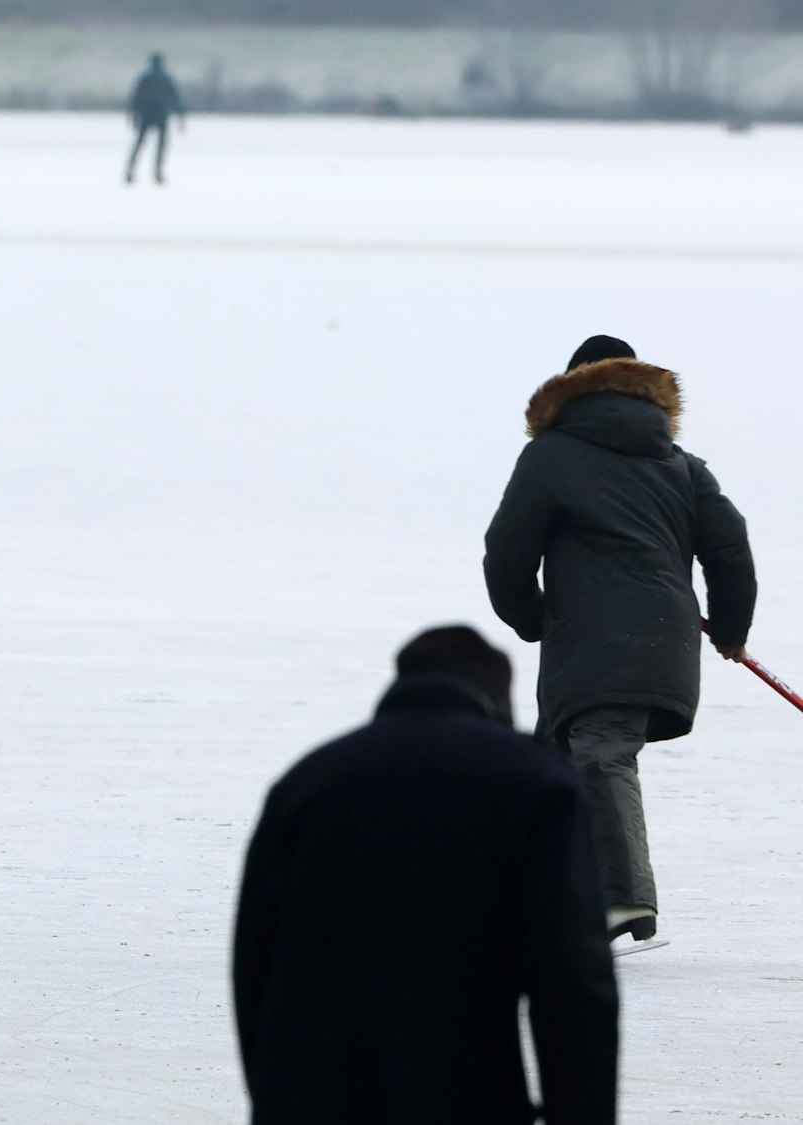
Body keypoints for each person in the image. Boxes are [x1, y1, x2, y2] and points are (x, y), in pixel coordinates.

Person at [234, 625, 618, 1124]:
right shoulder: (534, 781)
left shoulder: (310, 781)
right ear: (498, 700)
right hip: (467, 1098)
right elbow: (571, 976)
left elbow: (254, 962)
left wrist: (273, 1097)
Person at [485, 335, 756, 948]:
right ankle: (539, 901)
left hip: (589, 641)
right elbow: (730, 552)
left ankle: (621, 900)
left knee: (601, 751)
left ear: (572, 387)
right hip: (662, 638)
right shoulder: (682, 467)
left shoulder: (551, 456)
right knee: (551, 766)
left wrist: (531, 617)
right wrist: (731, 630)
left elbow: (505, 555)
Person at [126, 53, 186, 186]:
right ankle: (156, 173)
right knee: (159, 146)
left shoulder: (146, 78)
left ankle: (131, 172)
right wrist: (181, 116)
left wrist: (133, 115)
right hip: (159, 115)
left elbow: (136, 98)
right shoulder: (164, 78)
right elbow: (175, 98)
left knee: (140, 144)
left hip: (149, 115)